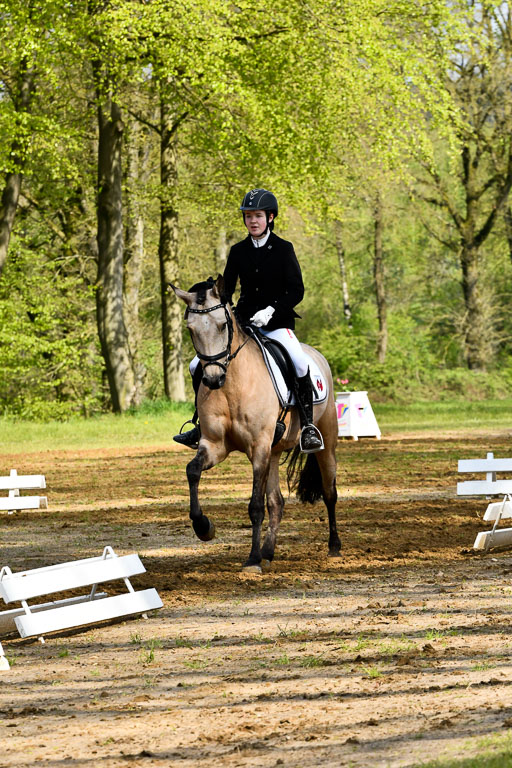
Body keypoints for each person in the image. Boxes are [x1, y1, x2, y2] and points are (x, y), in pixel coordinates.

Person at [174, 188, 323, 453]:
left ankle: (308, 426)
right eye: (248, 216)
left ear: (270, 217)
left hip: (277, 324)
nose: (252, 221)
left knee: (300, 362)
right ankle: (199, 424)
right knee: (196, 364)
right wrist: (208, 295)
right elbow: (227, 290)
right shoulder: (238, 251)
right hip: (244, 323)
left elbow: (296, 290)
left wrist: (272, 310)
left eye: (257, 216)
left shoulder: (283, 249)